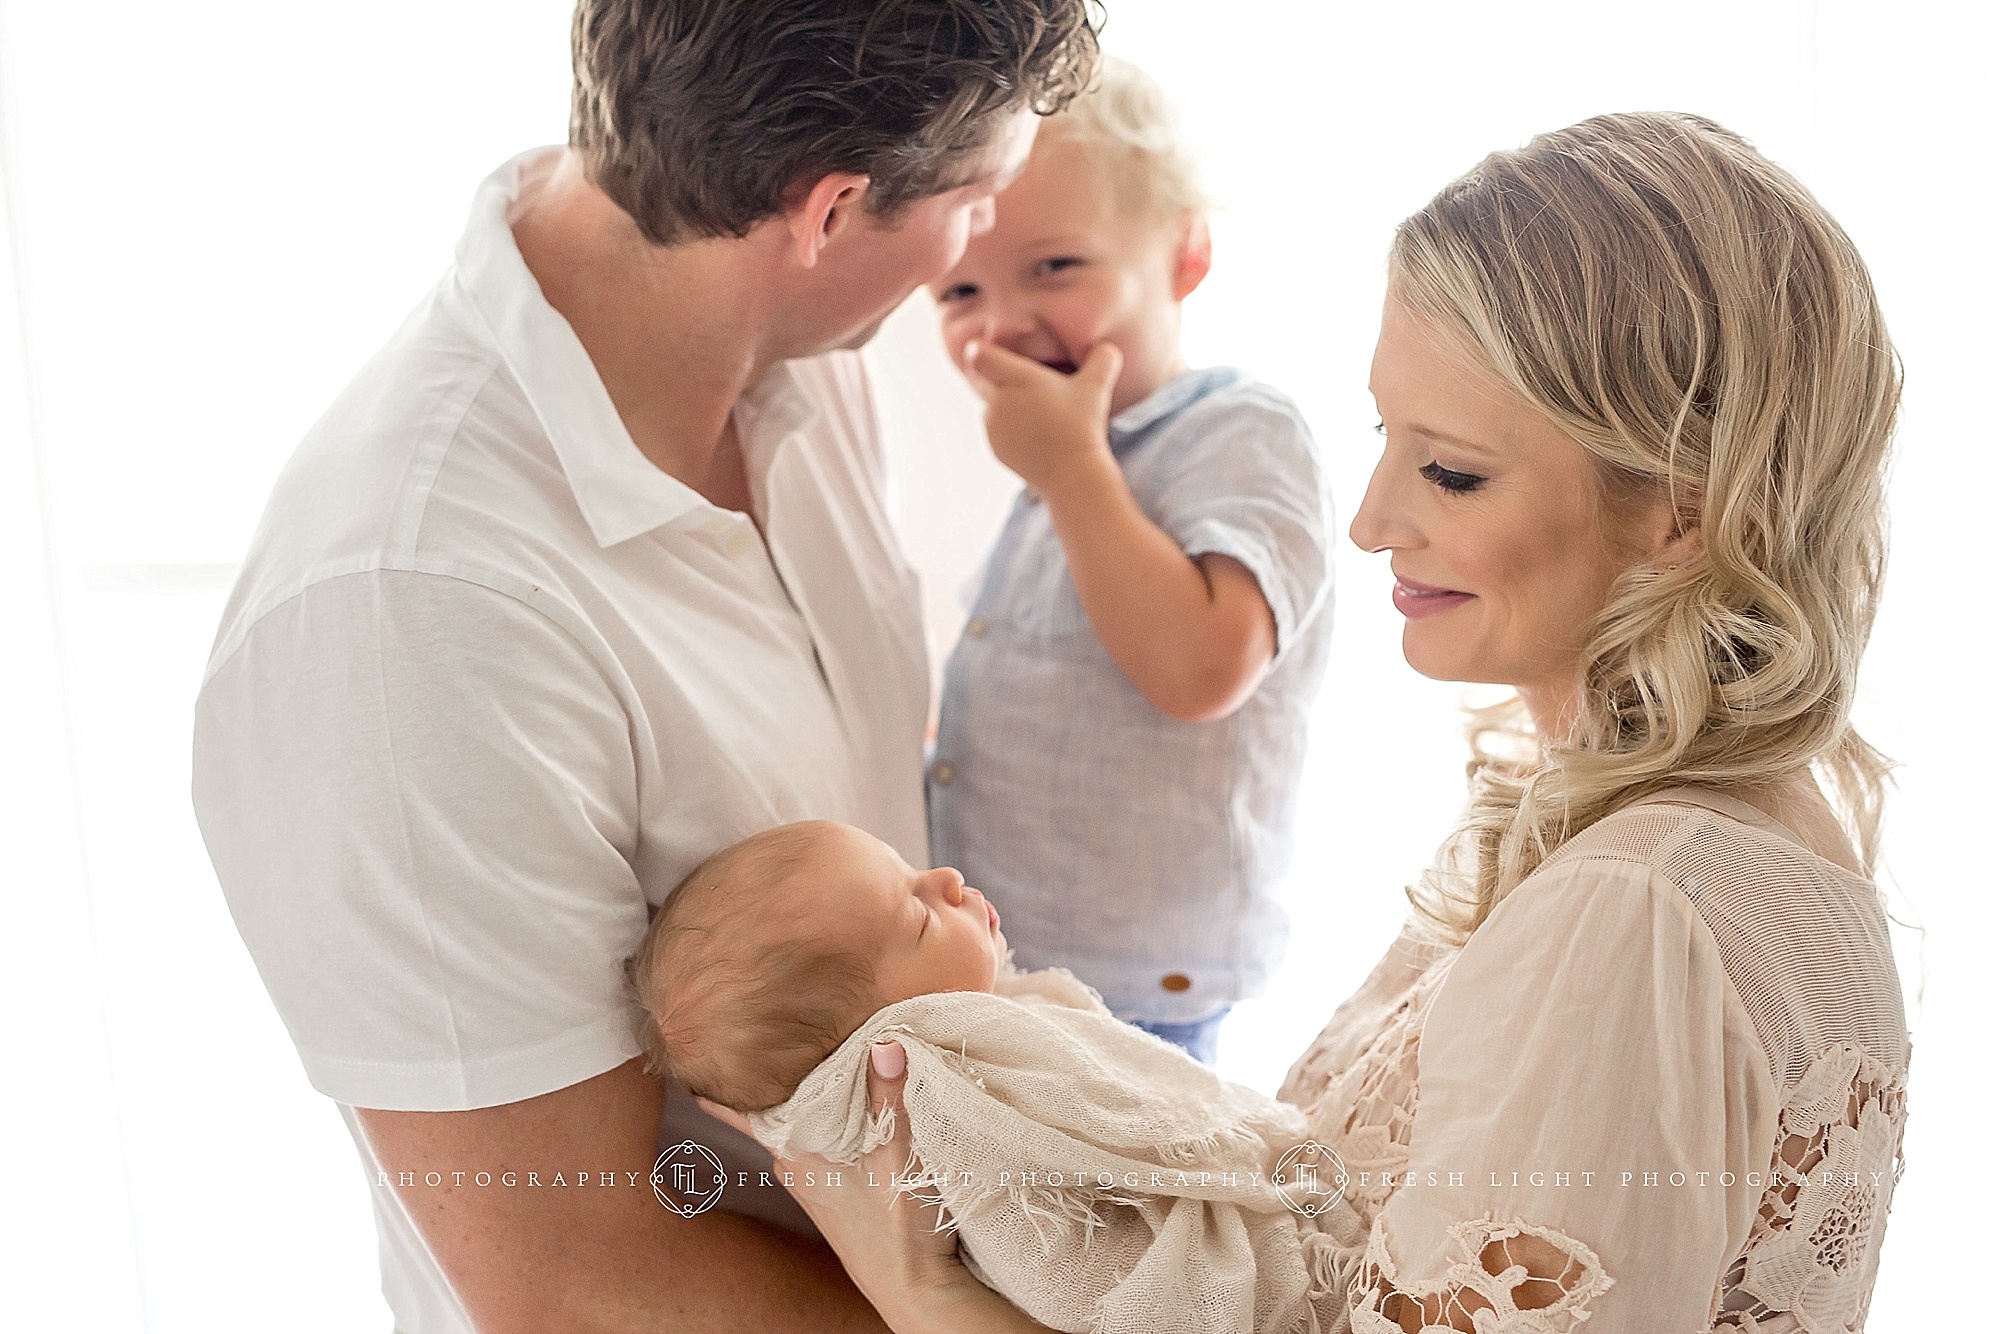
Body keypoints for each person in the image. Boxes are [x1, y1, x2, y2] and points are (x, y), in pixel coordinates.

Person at [727, 111, 1913, 1332]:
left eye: (1449, 469)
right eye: (1383, 437)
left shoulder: (1640, 909)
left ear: (1682, 506)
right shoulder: (1700, 846)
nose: (1367, 520)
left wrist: (919, 1289)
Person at [189, 3, 1100, 1332]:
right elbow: (579, 1279)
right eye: (976, 199)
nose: (971, 245)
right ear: (830, 211)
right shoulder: (411, 619)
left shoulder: (791, 366)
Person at [924, 58, 1335, 1064]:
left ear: (1185, 255)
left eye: (1055, 267)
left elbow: (1199, 665)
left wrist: (1069, 469)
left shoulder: (1237, 434)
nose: (1002, 321)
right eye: (959, 289)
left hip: (1133, 997)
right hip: (1009, 972)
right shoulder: (1069, 466)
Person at [632, 819, 1328, 1334]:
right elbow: (1137, 1139)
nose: (948, 882)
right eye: (920, 920)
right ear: (882, 1033)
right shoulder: (945, 1085)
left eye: (910, 869)